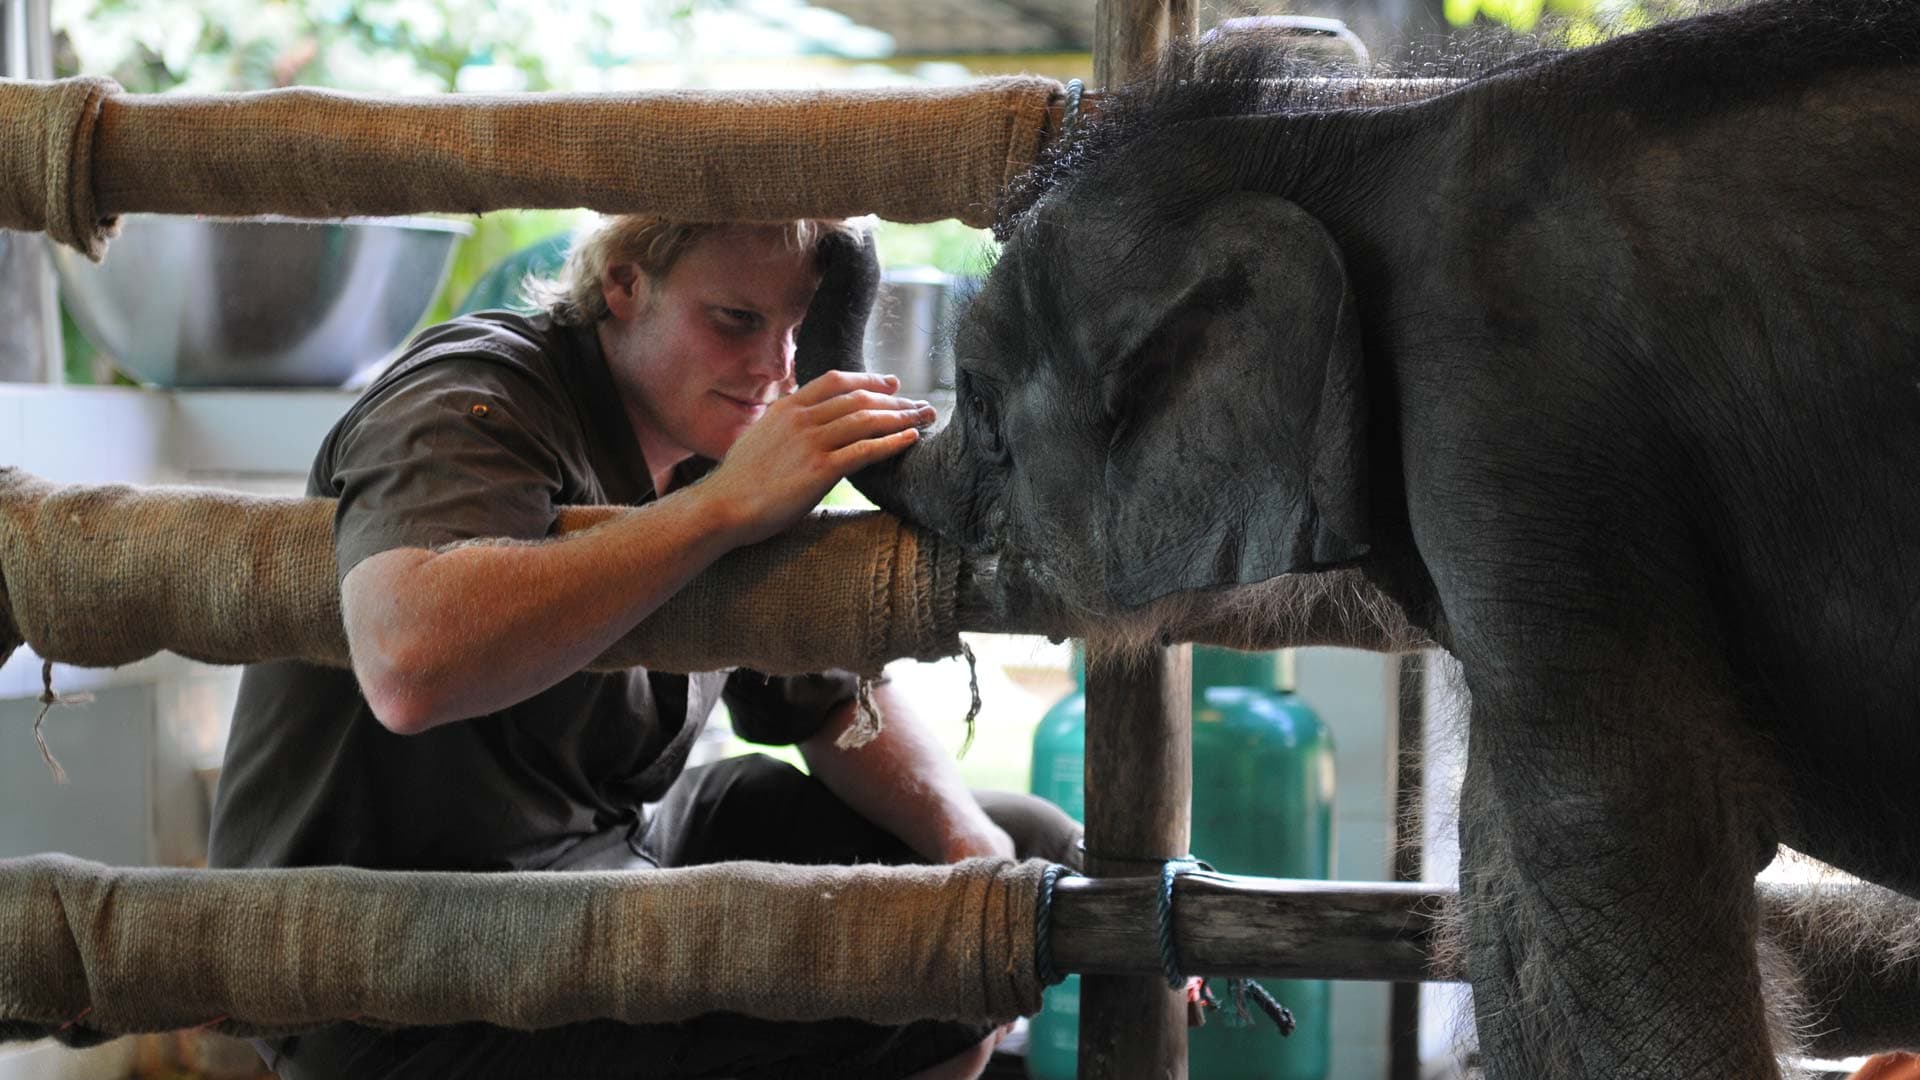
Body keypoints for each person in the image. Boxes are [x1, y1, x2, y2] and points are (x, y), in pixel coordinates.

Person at [207, 214, 1082, 1079]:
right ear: (625, 282)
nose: (775, 371)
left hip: (607, 858)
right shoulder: (473, 395)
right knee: (933, 974)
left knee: (1026, 855)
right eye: (736, 320)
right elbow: (409, 667)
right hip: (402, 955)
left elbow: (825, 703)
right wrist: (720, 511)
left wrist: (975, 861)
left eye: (798, 332)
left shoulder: (714, 439)